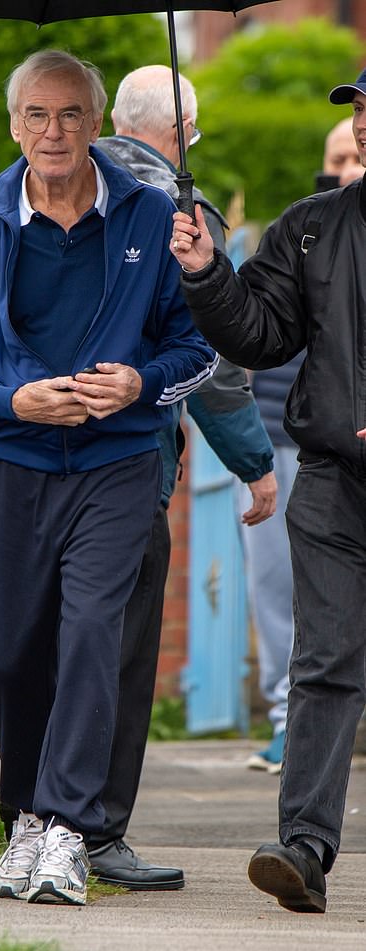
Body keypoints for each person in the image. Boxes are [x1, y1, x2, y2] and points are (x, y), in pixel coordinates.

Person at [0, 49, 218, 906]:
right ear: (15, 125)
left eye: (72, 115)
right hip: (12, 463)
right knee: (9, 653)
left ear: (98, 124)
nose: (54, 132)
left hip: (117, 464)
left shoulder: (154, 216)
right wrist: (12, 398)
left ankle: (66, 827)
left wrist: (142, 383)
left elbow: (196, 350)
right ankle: (25, 817)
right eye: (38, 116)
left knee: (91, 632)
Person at [73, 64, 277, 888]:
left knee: (47, 642)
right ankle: (96, 833)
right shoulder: (182, 212)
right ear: (182, 131)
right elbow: (217, 366)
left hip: (34, 454)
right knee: (119, 656)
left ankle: (33, 817)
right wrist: (256, 463)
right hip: (132, 462)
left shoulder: (49, 184)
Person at [169, 67, 366, 915]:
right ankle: (306, 849)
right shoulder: (314, 230)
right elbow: (259, 330)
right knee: (322, 661)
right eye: (360, 110)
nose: (362, 124)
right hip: (332, 484)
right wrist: (210, 272)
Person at [243, 115, 363, 775]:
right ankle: (289, 721)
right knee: (280, 589)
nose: (349, 164)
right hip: (289, 435)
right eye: (338, 153)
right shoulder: (308, 230)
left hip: (336, 439)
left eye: (355, 155)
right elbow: (261, 330)